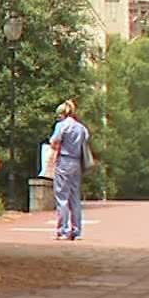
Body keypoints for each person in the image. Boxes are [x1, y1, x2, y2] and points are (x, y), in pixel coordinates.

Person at [47, 100, 95, 241]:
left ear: (63, 113)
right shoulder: (81, 128)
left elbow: (54, 141)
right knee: (75, 197)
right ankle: (76, 231)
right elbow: (85, 140)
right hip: (77, 163)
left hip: (64, 161)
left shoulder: (61, 126)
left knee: (62, 197)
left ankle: (62, 230)